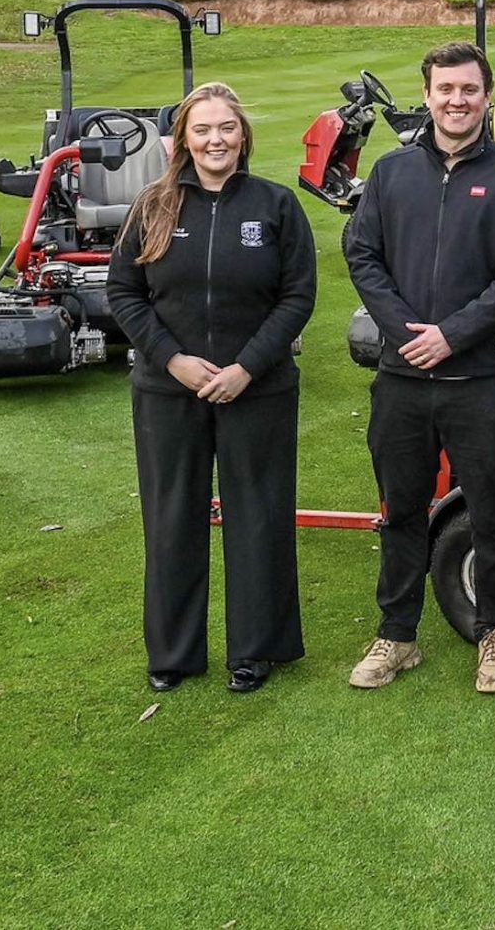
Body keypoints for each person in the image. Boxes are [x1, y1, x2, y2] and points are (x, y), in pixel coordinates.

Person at [342, 42, 495, 693]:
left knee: (491, 511)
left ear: (486, 96)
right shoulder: (391, 173)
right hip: (403, 380)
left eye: (469, 90)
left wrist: (451, 336)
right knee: (402, 510)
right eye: (445, 89)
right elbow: (363, 256)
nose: (457, 101)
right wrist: (407, 333)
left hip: (478, 382)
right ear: (427, 95)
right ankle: (397, 636)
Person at [108, 82, 318, 696]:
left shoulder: (276, 206)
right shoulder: (152, 206)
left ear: (243, 135)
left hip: (258, 388)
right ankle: (173, 653)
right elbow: (124, 293)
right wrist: (172, 360)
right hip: (168, 390)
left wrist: (247, 367)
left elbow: (297, 296)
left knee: (260, 515)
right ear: (184, 140)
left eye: (226, 127)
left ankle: (256, 648)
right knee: (172, 516)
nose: (215, 140)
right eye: (201, 129)